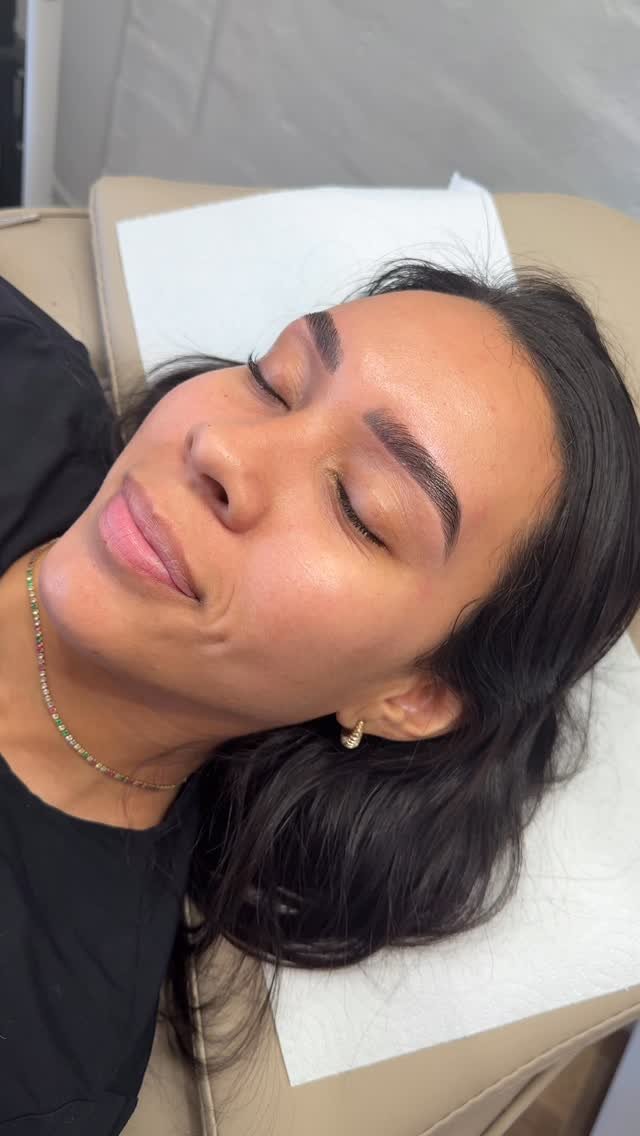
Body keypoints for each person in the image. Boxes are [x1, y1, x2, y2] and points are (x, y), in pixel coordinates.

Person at [0, 260, 638, 1131]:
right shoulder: (20, 366)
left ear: (411, 698)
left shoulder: (41, 1053)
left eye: (359, 507)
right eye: (274, 381)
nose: (222, 448)